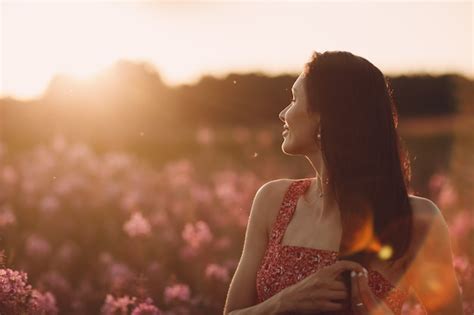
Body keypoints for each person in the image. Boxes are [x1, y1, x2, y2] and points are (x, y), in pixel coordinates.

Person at [223, 51, 463, 314]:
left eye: (293, 100)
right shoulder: (272, 201)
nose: (283, 113)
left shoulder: (416, 220)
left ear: (326, 117)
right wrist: (287, 301)